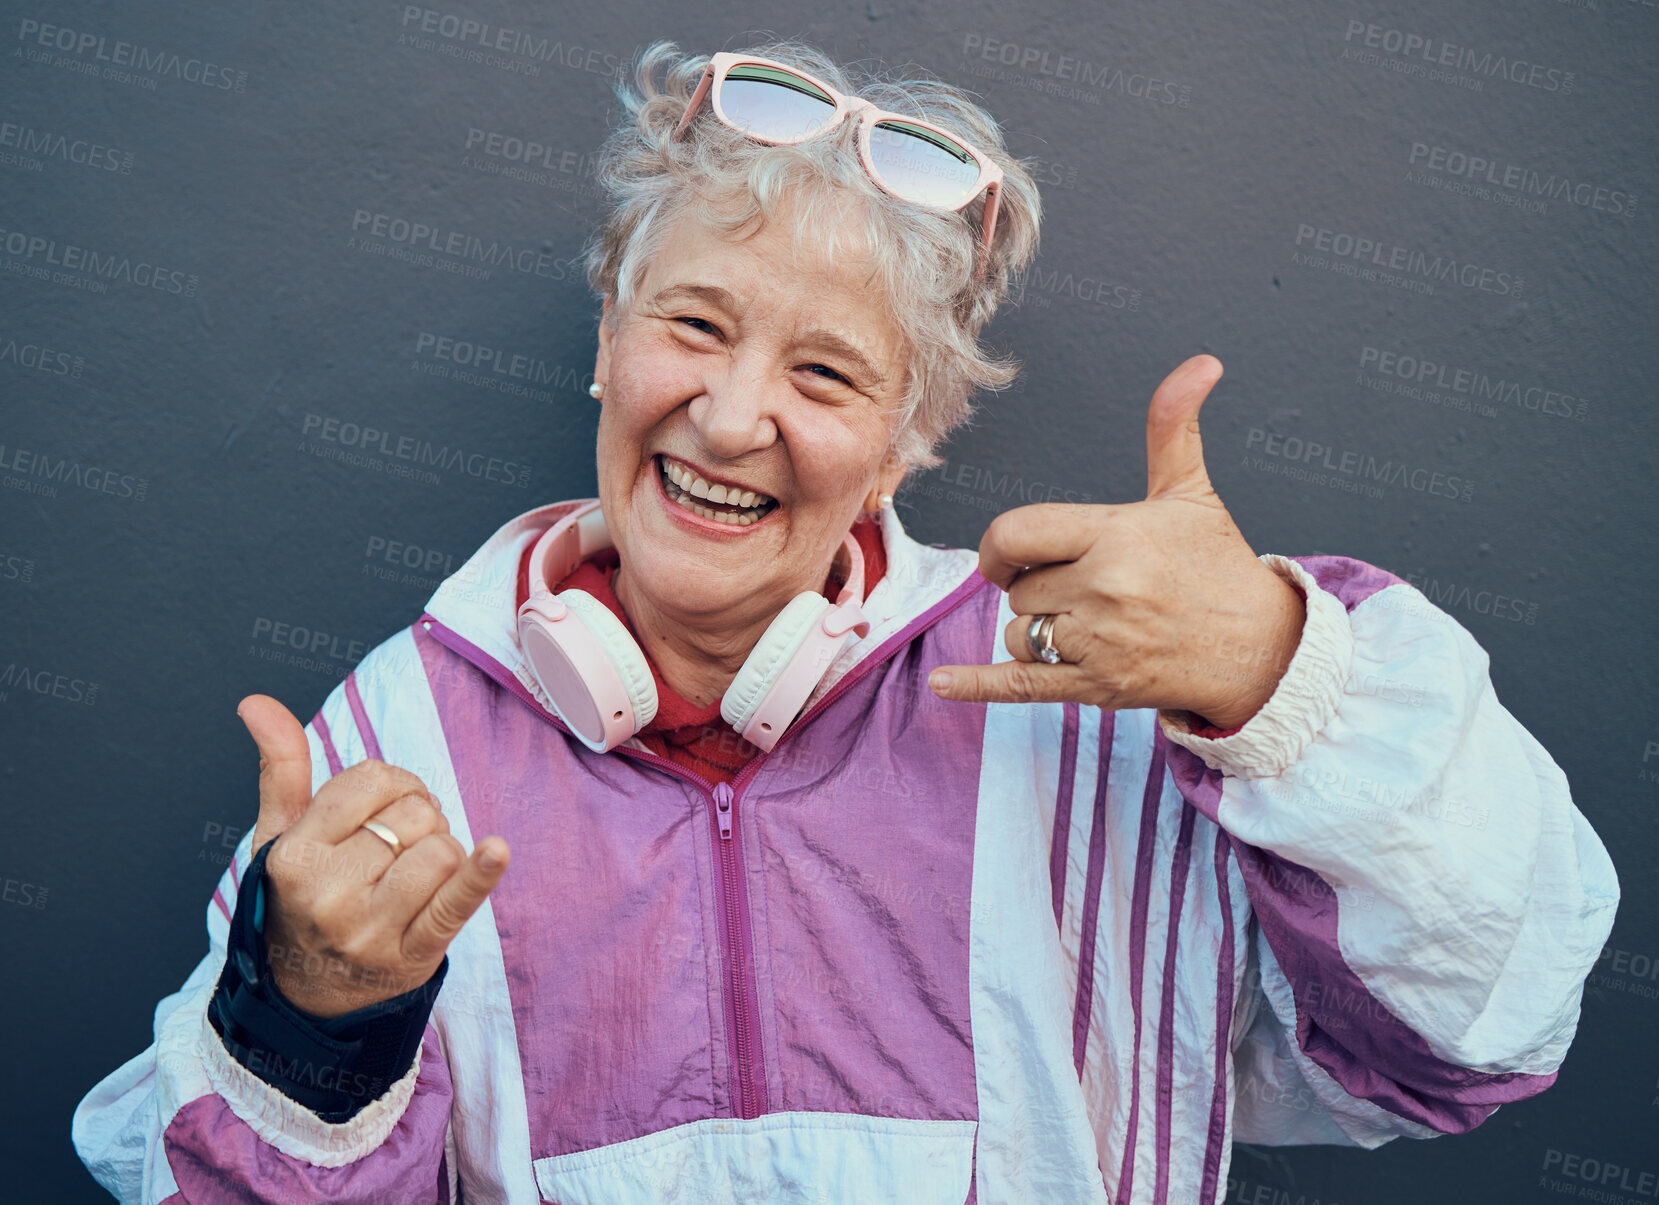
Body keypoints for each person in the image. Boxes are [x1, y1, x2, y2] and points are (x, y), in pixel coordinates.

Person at [72, 39, 1618, 1205]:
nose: (734, 416)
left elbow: (1469, 1042)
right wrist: (312, 1025)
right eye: (691, 324)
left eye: (825, 375)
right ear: (608, 344)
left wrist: (1289, 683)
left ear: (903, 444)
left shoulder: (1103, 707)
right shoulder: (392, 742)